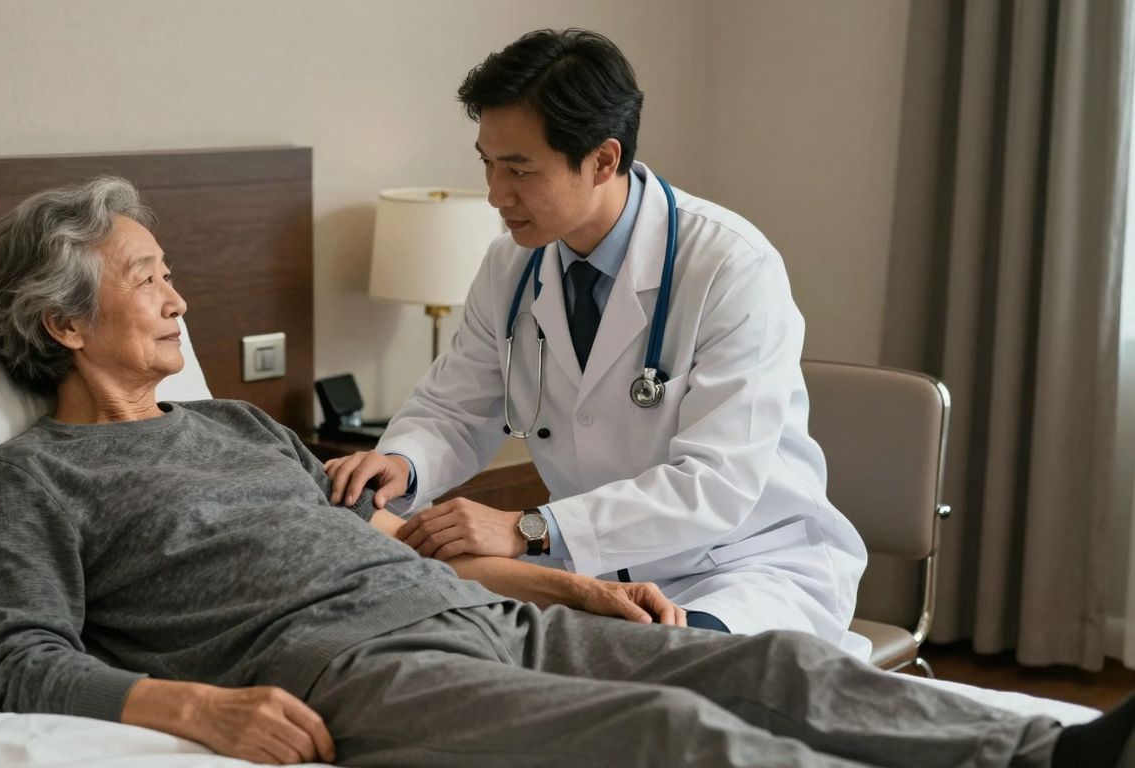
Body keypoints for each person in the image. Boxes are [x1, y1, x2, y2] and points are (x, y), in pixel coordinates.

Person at [0, 176, 1135, 768]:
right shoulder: (35, 481)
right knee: (671, 734)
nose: (177, 296)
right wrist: (200, 707)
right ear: (63, 324)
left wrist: (573, 586)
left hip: (476, 613)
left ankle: (1044, 751)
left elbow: (376, 543)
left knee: (764, 664)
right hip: (356, 667)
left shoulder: (240, 427)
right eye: (148, 276)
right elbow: (21, 659)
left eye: (170, 271)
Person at [325, 28, 867, 653]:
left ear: (603, 160)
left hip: (741, 567)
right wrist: (403, 462)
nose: (497, 194)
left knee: (662, 668)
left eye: (520, 169)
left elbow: (715, 483)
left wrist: (529, 527)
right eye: (488, 163)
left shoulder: (730, 266)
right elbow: (456, 406)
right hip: (593, 568)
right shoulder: (512, 266)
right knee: (462, 644)